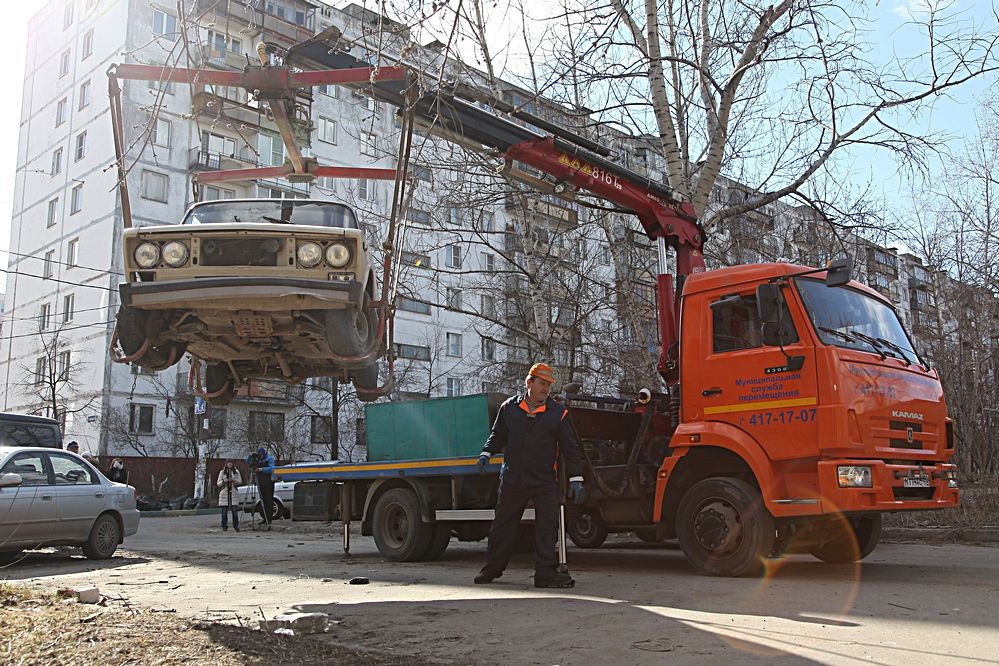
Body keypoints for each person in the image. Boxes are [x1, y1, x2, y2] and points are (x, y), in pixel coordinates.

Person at [474, 362, 587, 588]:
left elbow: (571, 449)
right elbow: (497, 435)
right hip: (513, 478)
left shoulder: (558, 413)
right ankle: (492, 569)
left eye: (548, 385)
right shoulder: (509, 408)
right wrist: (487, 452)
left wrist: (576, 479)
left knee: (547, 526)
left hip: (544, 480)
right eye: (542, 384)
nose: (546, 389)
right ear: (529, 383)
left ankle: (545, 574)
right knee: (503, 526)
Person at [247, 447, 276, 530]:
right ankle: (264, 518)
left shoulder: (269, 459)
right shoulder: (258, 459)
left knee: (268, 500)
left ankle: (269, 518)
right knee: (262, 500)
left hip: (268, 482)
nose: (260, 457)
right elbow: (248, 462)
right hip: (260, 482)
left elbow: (272, 468)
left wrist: (262, 469)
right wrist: (250, 456)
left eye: (261, 455)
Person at [217, 460, 243, 532]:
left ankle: (236, 526)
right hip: (224, 493)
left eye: (231, 463)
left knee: (235, 511)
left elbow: (240, 481)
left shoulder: (236, 472)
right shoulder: (222, 472)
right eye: (228, 463)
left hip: (233, 492)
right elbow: (218, 483)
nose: (229, 464)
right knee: (224, 512)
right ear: (226, 464)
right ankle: (224, 526)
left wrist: (234, 480)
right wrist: (224, 481)